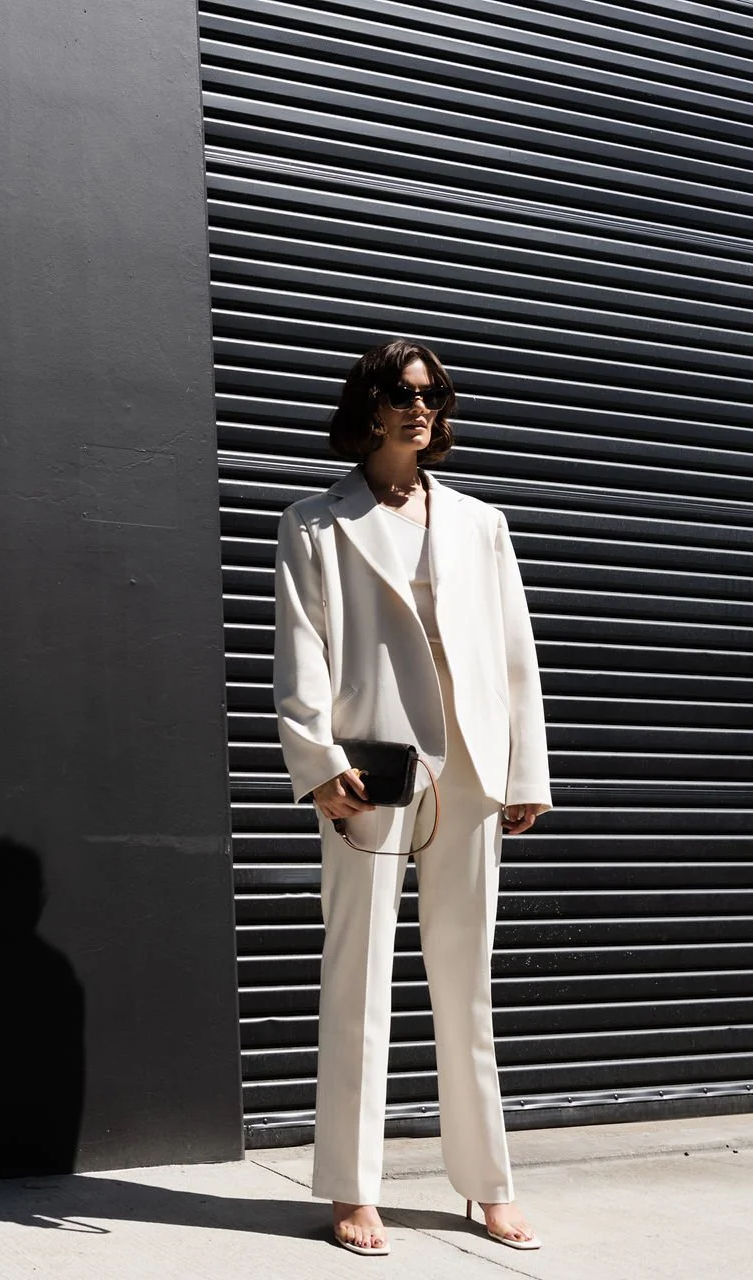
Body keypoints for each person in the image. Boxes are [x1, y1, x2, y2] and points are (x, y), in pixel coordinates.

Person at [273, 338, 552, 1256]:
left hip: (468, 773)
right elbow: (301, 648)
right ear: (368, 405)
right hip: (371, 773)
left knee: (465, 981)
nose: (418, 406)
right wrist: (314, 760)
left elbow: (515, 654)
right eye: (399, 392)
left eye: (431, 393)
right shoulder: (316, 523)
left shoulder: (480, 522)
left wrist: (526, 774)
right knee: (358, 978)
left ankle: (486, 1183)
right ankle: (354, 1187)